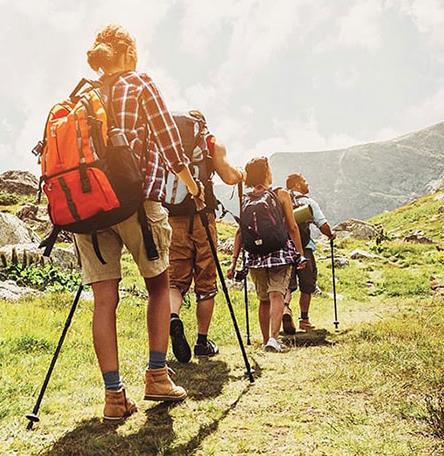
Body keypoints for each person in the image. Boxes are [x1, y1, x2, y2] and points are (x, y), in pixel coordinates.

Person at [78, 25, 202, 421]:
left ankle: (114, 396)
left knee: (103, 301)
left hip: (90, 208)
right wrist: (191, 185)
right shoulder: (139, 83)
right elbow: (169, 142)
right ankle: (157, 377)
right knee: (159, 286)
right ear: (128, 53)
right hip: (135, 201)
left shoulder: (83, 94)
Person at [168, 112, 245, 363]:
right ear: (202, 125)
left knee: (175, 280)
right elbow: (229, 176)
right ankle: (202, 342)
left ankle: (173, 317)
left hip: (172, 215)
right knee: (206, 279)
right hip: (202, 214)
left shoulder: (168, 140)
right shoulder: (210, 142)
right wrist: (241, 174)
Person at [227, 156, 306, 352]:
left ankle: (264, 341)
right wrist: (299, 255)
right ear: (267, 173)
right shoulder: (280, 194)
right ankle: (273, 339)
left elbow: (240, 232)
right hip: (280, 253)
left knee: (263, 299)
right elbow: (292, 227)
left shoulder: (244, 199)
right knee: (276, 294)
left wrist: (234, 262)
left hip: (254, 256)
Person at [285, 174, 336, 331]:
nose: (307, 184)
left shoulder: (282, 202)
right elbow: (322, 224)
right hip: (305, 248)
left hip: (285, 250)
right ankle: (304, 319)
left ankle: (285, 309)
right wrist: (331, 234)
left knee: (287, 284)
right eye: (305, 181)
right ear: (297, 185)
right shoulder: (308, 203)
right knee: (307, 285)